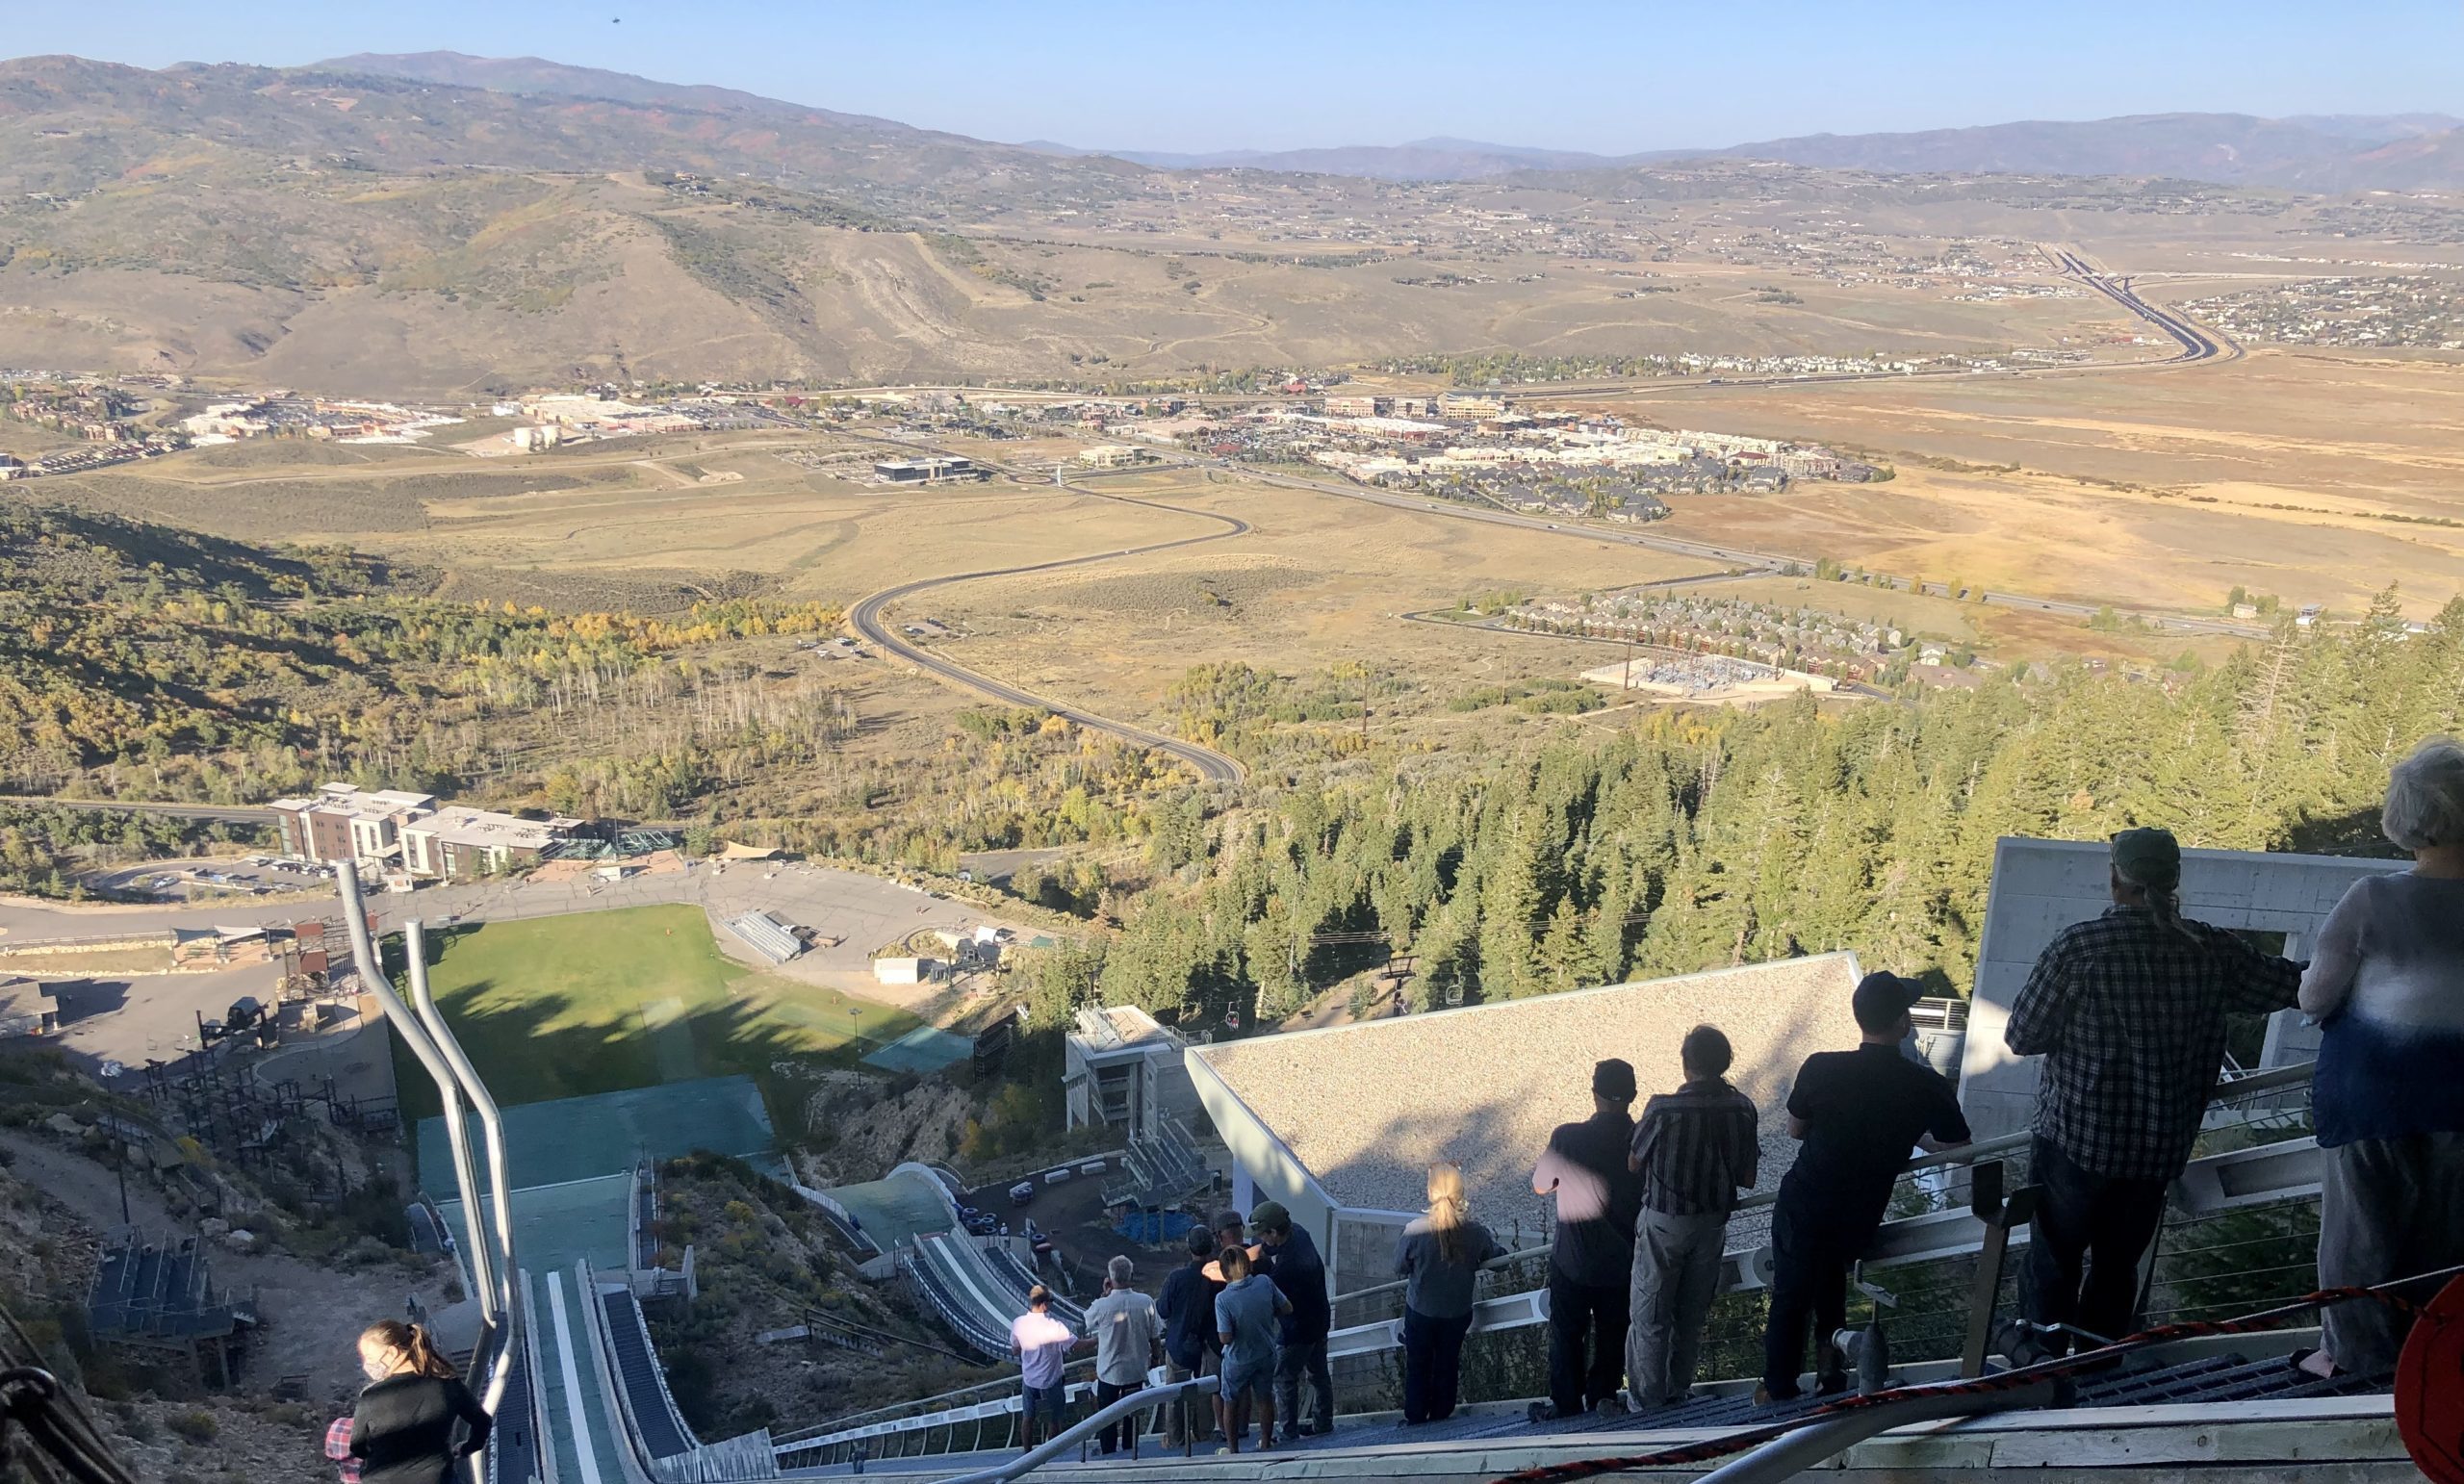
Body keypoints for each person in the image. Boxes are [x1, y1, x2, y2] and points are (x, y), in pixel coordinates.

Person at [2006, 827, 2303, 1357]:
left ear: (2116, 880)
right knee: (2118, 1268)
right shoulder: (2211, 949)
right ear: (2174, 881)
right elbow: (2294, 986)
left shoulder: (2079, 947)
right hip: (2156, 1148)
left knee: (2054, 1256)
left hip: (2077, 1140)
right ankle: (2099, 1364)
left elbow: (2023, 1035)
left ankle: (2040, 1368)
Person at [2296, 737, 2464, 1379]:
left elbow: (2316, 995)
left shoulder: (2372, 898)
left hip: (2373, 1094)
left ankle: (2351, 1362)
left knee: (2360, 1235)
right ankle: (2437, 1363)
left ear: (2407, 815)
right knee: (2449, 1242)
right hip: (2461, 1100)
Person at [1760, 974, 1969, 1402]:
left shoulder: (1821, 1066)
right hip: (1859, 1214)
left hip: (1804, 1201)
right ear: (1902, 1023)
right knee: (1832, 1282)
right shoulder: (1923, 1084)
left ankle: (1778, 1389)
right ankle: (1830, 1375)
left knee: (1791, 1293)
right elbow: (1960, 1149)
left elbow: (1796, 1129)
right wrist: (1909, 1134)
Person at [1628, 1024, 1760, 1410]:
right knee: (1691, 1311)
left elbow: (1633, 1162)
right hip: (1713, 1225)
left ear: (1686, 1063)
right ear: (1725, 1063)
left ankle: (1648, 1400)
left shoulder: (1662, 1108)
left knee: (1650, 1311)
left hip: (1664, 1224)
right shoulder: (1742, 1108)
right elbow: (1748, 1177)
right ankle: (1678, 1388)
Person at [1529, 1058, 1645, 1420]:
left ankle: (1565, 1402)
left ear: (1593, 1093)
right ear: (1633, 1095)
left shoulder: (1567, 1136)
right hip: (1624, 1255)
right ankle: (1603, 1395)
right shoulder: (1642, 1136)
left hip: (1573, 1255)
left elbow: (1540, 1185)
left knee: (1567, 1332)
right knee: (1614, 1330)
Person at [1395, 1161, 1502, 1424]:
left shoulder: (1415, 1230)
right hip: (1457, 1311)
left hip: (1421, 1309)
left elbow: (1398, 1267)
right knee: (1447, 1362)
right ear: (1461, 1192)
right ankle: (1442, 1413)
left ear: (1430, 1192)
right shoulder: (1475, 1232)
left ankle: (1415, 1416)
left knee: (1418, 1364)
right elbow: (1500, 1261)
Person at [347, 1320, 490, 1484]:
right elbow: (482, 1422)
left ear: (393, 1352)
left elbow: (357, 1447)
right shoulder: (447, 1385)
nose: (367, 1364)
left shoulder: (371, 1396)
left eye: (370, 1357)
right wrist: (467, 1447)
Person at [1250, 1200, 1335, 1438]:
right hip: (1320, 1319)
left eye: (1263, 1236)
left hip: (1297, 1330)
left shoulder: (1286, 1269)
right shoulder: (1299, 1232)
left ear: (1274, 1232)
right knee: (1319, 1374)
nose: (1262, 1241)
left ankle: (1288, 1432)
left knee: (1284, 1379)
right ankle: (1323, 1423)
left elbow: (1272, 1299)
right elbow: (1268, 1250)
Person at [1213, 1241, 1291, 1453]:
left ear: (1224, 1273)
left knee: (1230, 1401)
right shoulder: (1264, 1282)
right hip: (1266, 1352)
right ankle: (1265, 1442)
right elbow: (1286, 1307)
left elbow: (1225, 1337)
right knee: (1265, 1398)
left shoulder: (1223, 1299)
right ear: (1248, 1265)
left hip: (1238, 1359)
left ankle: (1233, 1449)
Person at [1085, 1255, 1166, 1454]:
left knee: (1107, 1418)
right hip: (1135, 1370)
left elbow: (1087, 1322)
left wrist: (1105, 1295)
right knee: (1133, 1415)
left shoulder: (1102, 1306)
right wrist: (1156, 1358)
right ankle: (1132, 1451)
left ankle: (1108, 1453)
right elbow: (1155, 1336)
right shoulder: (1145, 1302)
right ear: (1131, 1275)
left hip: (1109, 1371)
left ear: (1110, 1280)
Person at [1155, 1226, 1219, 1446]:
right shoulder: (1219, 1277)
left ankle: (1175, 1439)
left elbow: (1163, 1309)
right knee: (1206, 1393)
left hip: (1179, 1343)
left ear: (1189, 1247)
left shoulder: (1177, 1278)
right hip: (1211, 1344)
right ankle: (1203, 1434)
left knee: (1175, 1393)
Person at [1009, 1285, 1082, 1450]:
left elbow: (1014, 1348)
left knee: (1028, 1418)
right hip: (1051, 1380)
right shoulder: (1054, 1326)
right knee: (1054, 1419)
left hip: (1029, 1381)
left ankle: (1028, 1455)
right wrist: (1100, 1340)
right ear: (1044, 1304)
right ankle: (1050, 1453)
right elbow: (1076, 1345)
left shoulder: (1019, 1323)